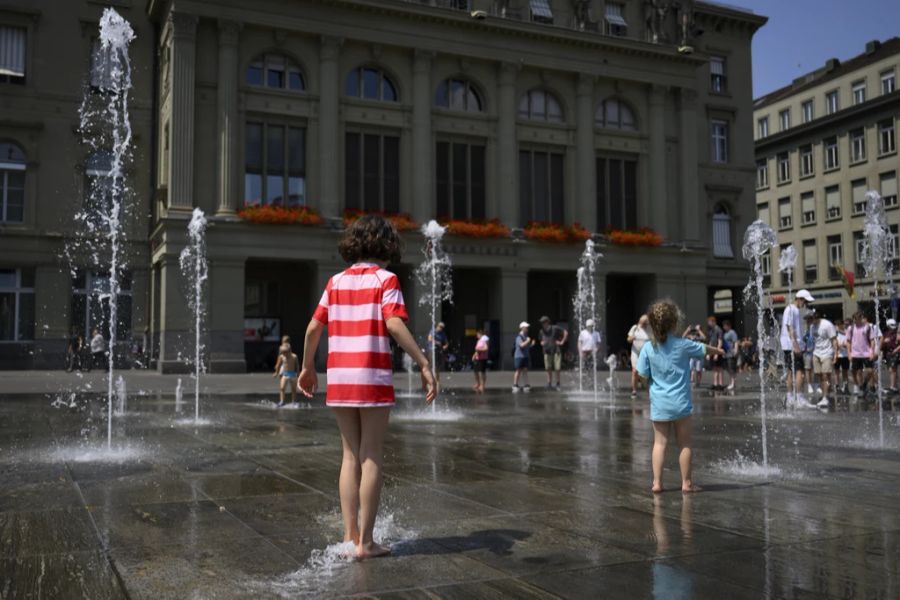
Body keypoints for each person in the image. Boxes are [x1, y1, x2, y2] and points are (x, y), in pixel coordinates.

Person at [298, 214, 436, 560]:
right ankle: (367, 543)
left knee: (348, 455)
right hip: (371, 375)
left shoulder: (336, 281)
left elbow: (313, 329)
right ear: (387, 245)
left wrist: (306, 368)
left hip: (340, 377)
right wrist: (423, 362)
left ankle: (349, 536)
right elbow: (393, 323)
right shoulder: (385, 279)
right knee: (370, 454)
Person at [635, 299, 724, 494]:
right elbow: (703, 349)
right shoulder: (682, 344)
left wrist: (649, 382)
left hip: (659, 403)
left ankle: (657, 483)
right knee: (684, 443)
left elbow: (641, 373)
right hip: (681, 403)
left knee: (659, 443)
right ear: (674, 323)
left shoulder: (649, 348)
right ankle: (687, 484)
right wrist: (718, 350)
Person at [780, 289, 814, 404]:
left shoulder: (794, 310)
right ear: (799, 299)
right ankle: (799, 397)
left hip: (790, 345)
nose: (806, 304)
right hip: (792, 345)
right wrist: (796, 346)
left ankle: (790, 397)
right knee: (800, 372)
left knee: (791, 371)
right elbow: (790, 328)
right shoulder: (791, 309)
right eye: (805, 301)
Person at [810, 311, 838, 409]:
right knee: (819, 375)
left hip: (827, 353)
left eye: (811, 319)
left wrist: (835, 354)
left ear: (816, 317)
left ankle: (825, 397)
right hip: (816, 353)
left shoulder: (827, 325)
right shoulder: (811, 326)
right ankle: (826, 393)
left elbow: (834, 339)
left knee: (825, 375)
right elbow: (815, 340)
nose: (809, 321)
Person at [849, 311, 877, 397]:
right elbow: (848, 341)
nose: (856, 321)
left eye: (858, 319)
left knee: (870, 371)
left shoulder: (867, 327)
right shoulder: (851, 328)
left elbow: (872, 340)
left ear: (861, 318)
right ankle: (861, 388)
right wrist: (849, 352)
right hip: (855, 354)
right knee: (858, 372)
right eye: (855, 319)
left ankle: (864, 385)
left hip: (866, 353)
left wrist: (872, 352)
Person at [539, 316, 568, 390]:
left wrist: (562, 342)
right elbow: (541, 340)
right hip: (546, 351)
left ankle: (558, 383)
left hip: (556, 350)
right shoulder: (541, 331)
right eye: (542, 323)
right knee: (548, 368)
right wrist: (542, 343)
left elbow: (565, 332)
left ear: (548, 322)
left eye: (544, 322)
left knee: (557, 368)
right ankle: (549, 383)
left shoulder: (555, 328)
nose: (543, 324)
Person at [628, 315, 651, 397]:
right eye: (642, 323)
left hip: (646, 354)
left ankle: (648, 389)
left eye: (645, 323)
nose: (643, 325)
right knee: (635, 371)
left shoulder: (650, 329)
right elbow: (628, 339)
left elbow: (655, 341)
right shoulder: (635, 328)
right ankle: (634, 391)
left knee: (644, 373)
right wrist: (632, 338)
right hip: (635, 352)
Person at [273, 342, 300, 406]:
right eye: (283, 352)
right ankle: (282, 401)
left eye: (286, 352)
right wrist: (276, 373)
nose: (285, 354)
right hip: (285, 374)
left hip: (293, 374)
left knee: (293, 389)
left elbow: (297, 365)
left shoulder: (294, 356)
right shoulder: (282, 357)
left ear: (290, 351)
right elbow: (279, 365)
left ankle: (294, 401)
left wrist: (298, 373)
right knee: (282, 388)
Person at [513, 321, 535, 393]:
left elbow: (527, 347)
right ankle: (515, 384)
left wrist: (532, 344)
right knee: (518, 370)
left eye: (527, 327)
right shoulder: (519, 337)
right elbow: (521, 345)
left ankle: (526, 384)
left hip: (525, 356)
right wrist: (528, 341)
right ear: (522, 328)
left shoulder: (526, 337)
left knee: (525, 370)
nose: (527, 328)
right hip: (519, 356)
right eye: (526, 327)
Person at [427, 322, 449, 390]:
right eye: (440, 326)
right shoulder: (433, 331)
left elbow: (446, 342)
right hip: (432, 350)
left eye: (442, 327)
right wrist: (437, 342)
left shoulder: (442, 333)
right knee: (432, 366)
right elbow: (429, 339)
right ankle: (430, 383)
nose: (441, 328)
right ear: (437, 326)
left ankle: (437, 382)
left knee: (437, 367)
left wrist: (445, 346)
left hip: (439, 351)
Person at [705, 316, 725, 391]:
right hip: (713, 351)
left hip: (717, 351)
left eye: (709, 322)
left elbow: (720, 342)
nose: (708, 323)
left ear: (713, 321)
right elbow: (710, 342)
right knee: (714, 368)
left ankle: (720, 384)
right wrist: (708, 353)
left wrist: (717, 353)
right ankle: (715, 384)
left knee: (719, 368)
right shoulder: (712, 330)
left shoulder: (718, 330)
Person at [882, 318, 900, 394]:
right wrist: (884, 342)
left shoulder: (897, 333)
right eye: (892, 325)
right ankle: (894, 385)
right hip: (888, 353)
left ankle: (892, 387)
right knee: (890, 370)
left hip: (895, 353)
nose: (894, 326)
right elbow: (882, 344)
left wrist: (896, 350)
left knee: (893, 369)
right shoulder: (886, 333)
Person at [722, 320, 739, 392]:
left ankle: (733, 383)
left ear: (728, 325)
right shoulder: (725, 334)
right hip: (726, 354)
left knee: (731, 368)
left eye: (725, 326)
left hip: (731, 353)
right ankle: (732, 382)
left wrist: (736, 350)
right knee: (728, 368)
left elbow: (736, 341)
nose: (724, 327)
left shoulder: (732, 332)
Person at [835, 319, 851, 394]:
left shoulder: (847, 332)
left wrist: (845, 345)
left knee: (845, 371)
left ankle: (846, 387)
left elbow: (849, 341)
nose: (837, 327)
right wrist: (838, 345)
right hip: (837, 355)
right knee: (836, 372)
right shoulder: (835, 333)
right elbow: (834, 342)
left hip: (845, 355)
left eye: (839, 325)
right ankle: (837, 387)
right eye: (837, 325)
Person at [472, 328, 489, 393]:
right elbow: (476, 349)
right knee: (475, 371)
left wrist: (479, 350)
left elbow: (486, 349)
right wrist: (474, 355)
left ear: (480, 334)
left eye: (477, 335)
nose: (477, 336)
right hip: (477, 358)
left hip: (483, 358)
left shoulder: (484, 341)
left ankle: (482, 385)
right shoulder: (478, 341)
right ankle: (478, 383)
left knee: (482, 372)